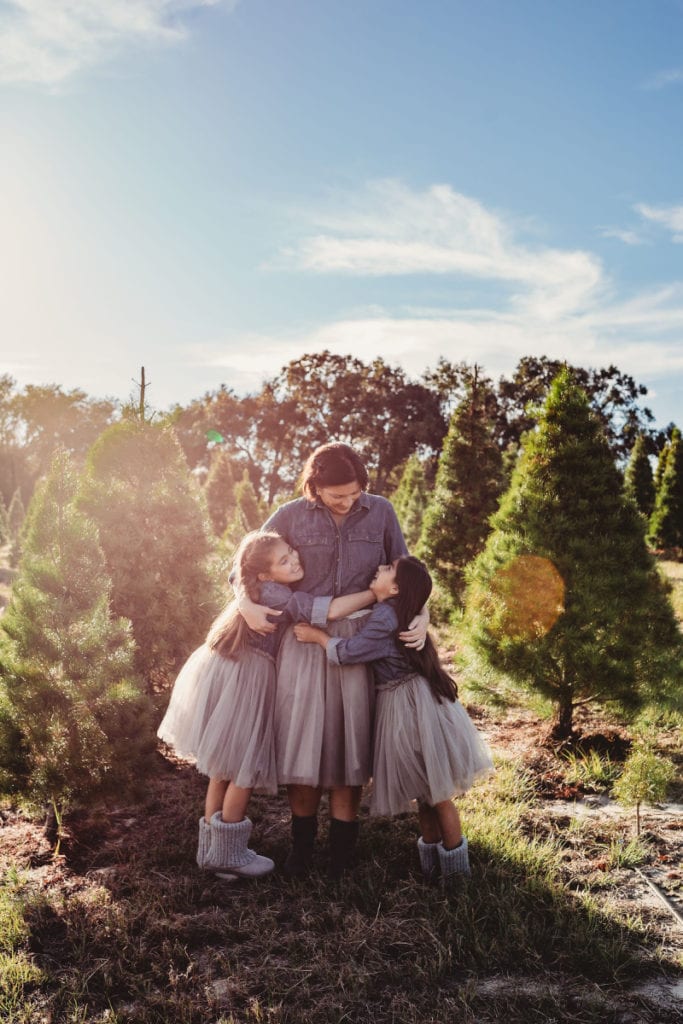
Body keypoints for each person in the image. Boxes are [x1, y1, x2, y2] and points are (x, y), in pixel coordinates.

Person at [236, 442, 428, 878]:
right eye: (337, 495)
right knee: (301, 741)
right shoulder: (289, 515)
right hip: (302, 640)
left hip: (359, 641)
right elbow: (243, 563)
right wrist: (243, 603)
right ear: (314, 487)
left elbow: (408, 570)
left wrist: (425, 613)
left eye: (354, 493)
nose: (347, 502)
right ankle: (301, 848)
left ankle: (342, 854)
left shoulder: (380, 512)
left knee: (349, 744)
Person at [157, 530, 375, 879]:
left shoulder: (258, 588)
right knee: (245, 763)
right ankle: (229, 854)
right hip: (251, 674)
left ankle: (211, 850)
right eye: (284, 561)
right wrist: (374, 594)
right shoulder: (277, 595)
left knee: (222, 767)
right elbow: (322, 609)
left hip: (228, 668)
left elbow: (242, 568)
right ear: (263, 574)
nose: (295, 561)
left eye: (292, 553)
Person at [294, 556, 493, 882]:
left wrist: (318, 638)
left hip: (408, 706)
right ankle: (432, 867)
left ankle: (457, 875)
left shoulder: (385, 615)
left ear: (396, 587)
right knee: (427, 793)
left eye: (387, 570)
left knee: (437, 795)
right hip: (413, 700)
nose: (380, 568)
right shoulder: (397, 612)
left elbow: (351, 652)